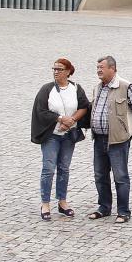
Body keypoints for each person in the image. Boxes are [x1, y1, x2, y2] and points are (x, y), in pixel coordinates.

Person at [86, 55, 132, 223]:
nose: (98, 70)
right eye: (97, 67)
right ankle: (104, 207)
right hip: (99, 138)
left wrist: (130, 129)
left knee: (120, 176)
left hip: (118, 141)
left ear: (113, 69)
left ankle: (123, 211)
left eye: (101, 67)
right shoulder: (98, 87)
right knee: (100, 175)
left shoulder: (125, 86)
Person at [30, 58, 91, 221]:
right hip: (51, 136)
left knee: (64, 168)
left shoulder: (76, 88)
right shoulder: (46, 89)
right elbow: (41, 110)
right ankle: (45, 203)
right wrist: (60, 119)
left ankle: (62, 202)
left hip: (68, 136)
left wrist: (71, 120)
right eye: (54, 69)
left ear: (68, 71)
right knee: (48, 168)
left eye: (60, 69)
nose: (56, 72)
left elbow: (84, 106)